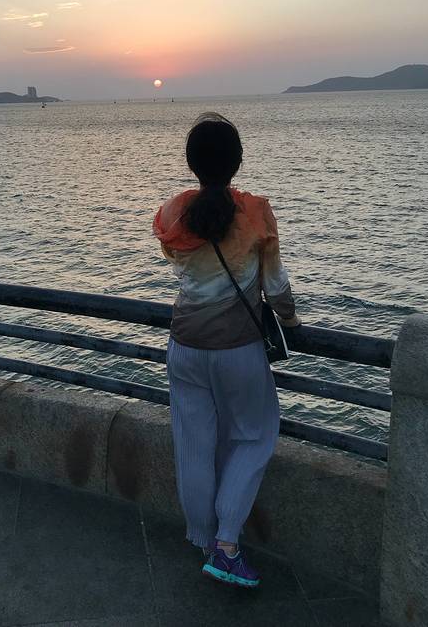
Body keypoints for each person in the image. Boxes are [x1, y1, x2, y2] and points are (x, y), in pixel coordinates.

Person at [152, 112, 301, 588]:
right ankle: (227, 546)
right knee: (254, 435)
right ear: (237, 162)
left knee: (194, 443)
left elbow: (177, 258)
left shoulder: (174, 212)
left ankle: (202, 537)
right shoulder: (255, 213)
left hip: (183, 345)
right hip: (237, 348)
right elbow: (275, 286)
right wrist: (291, 320)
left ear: (192, 163)